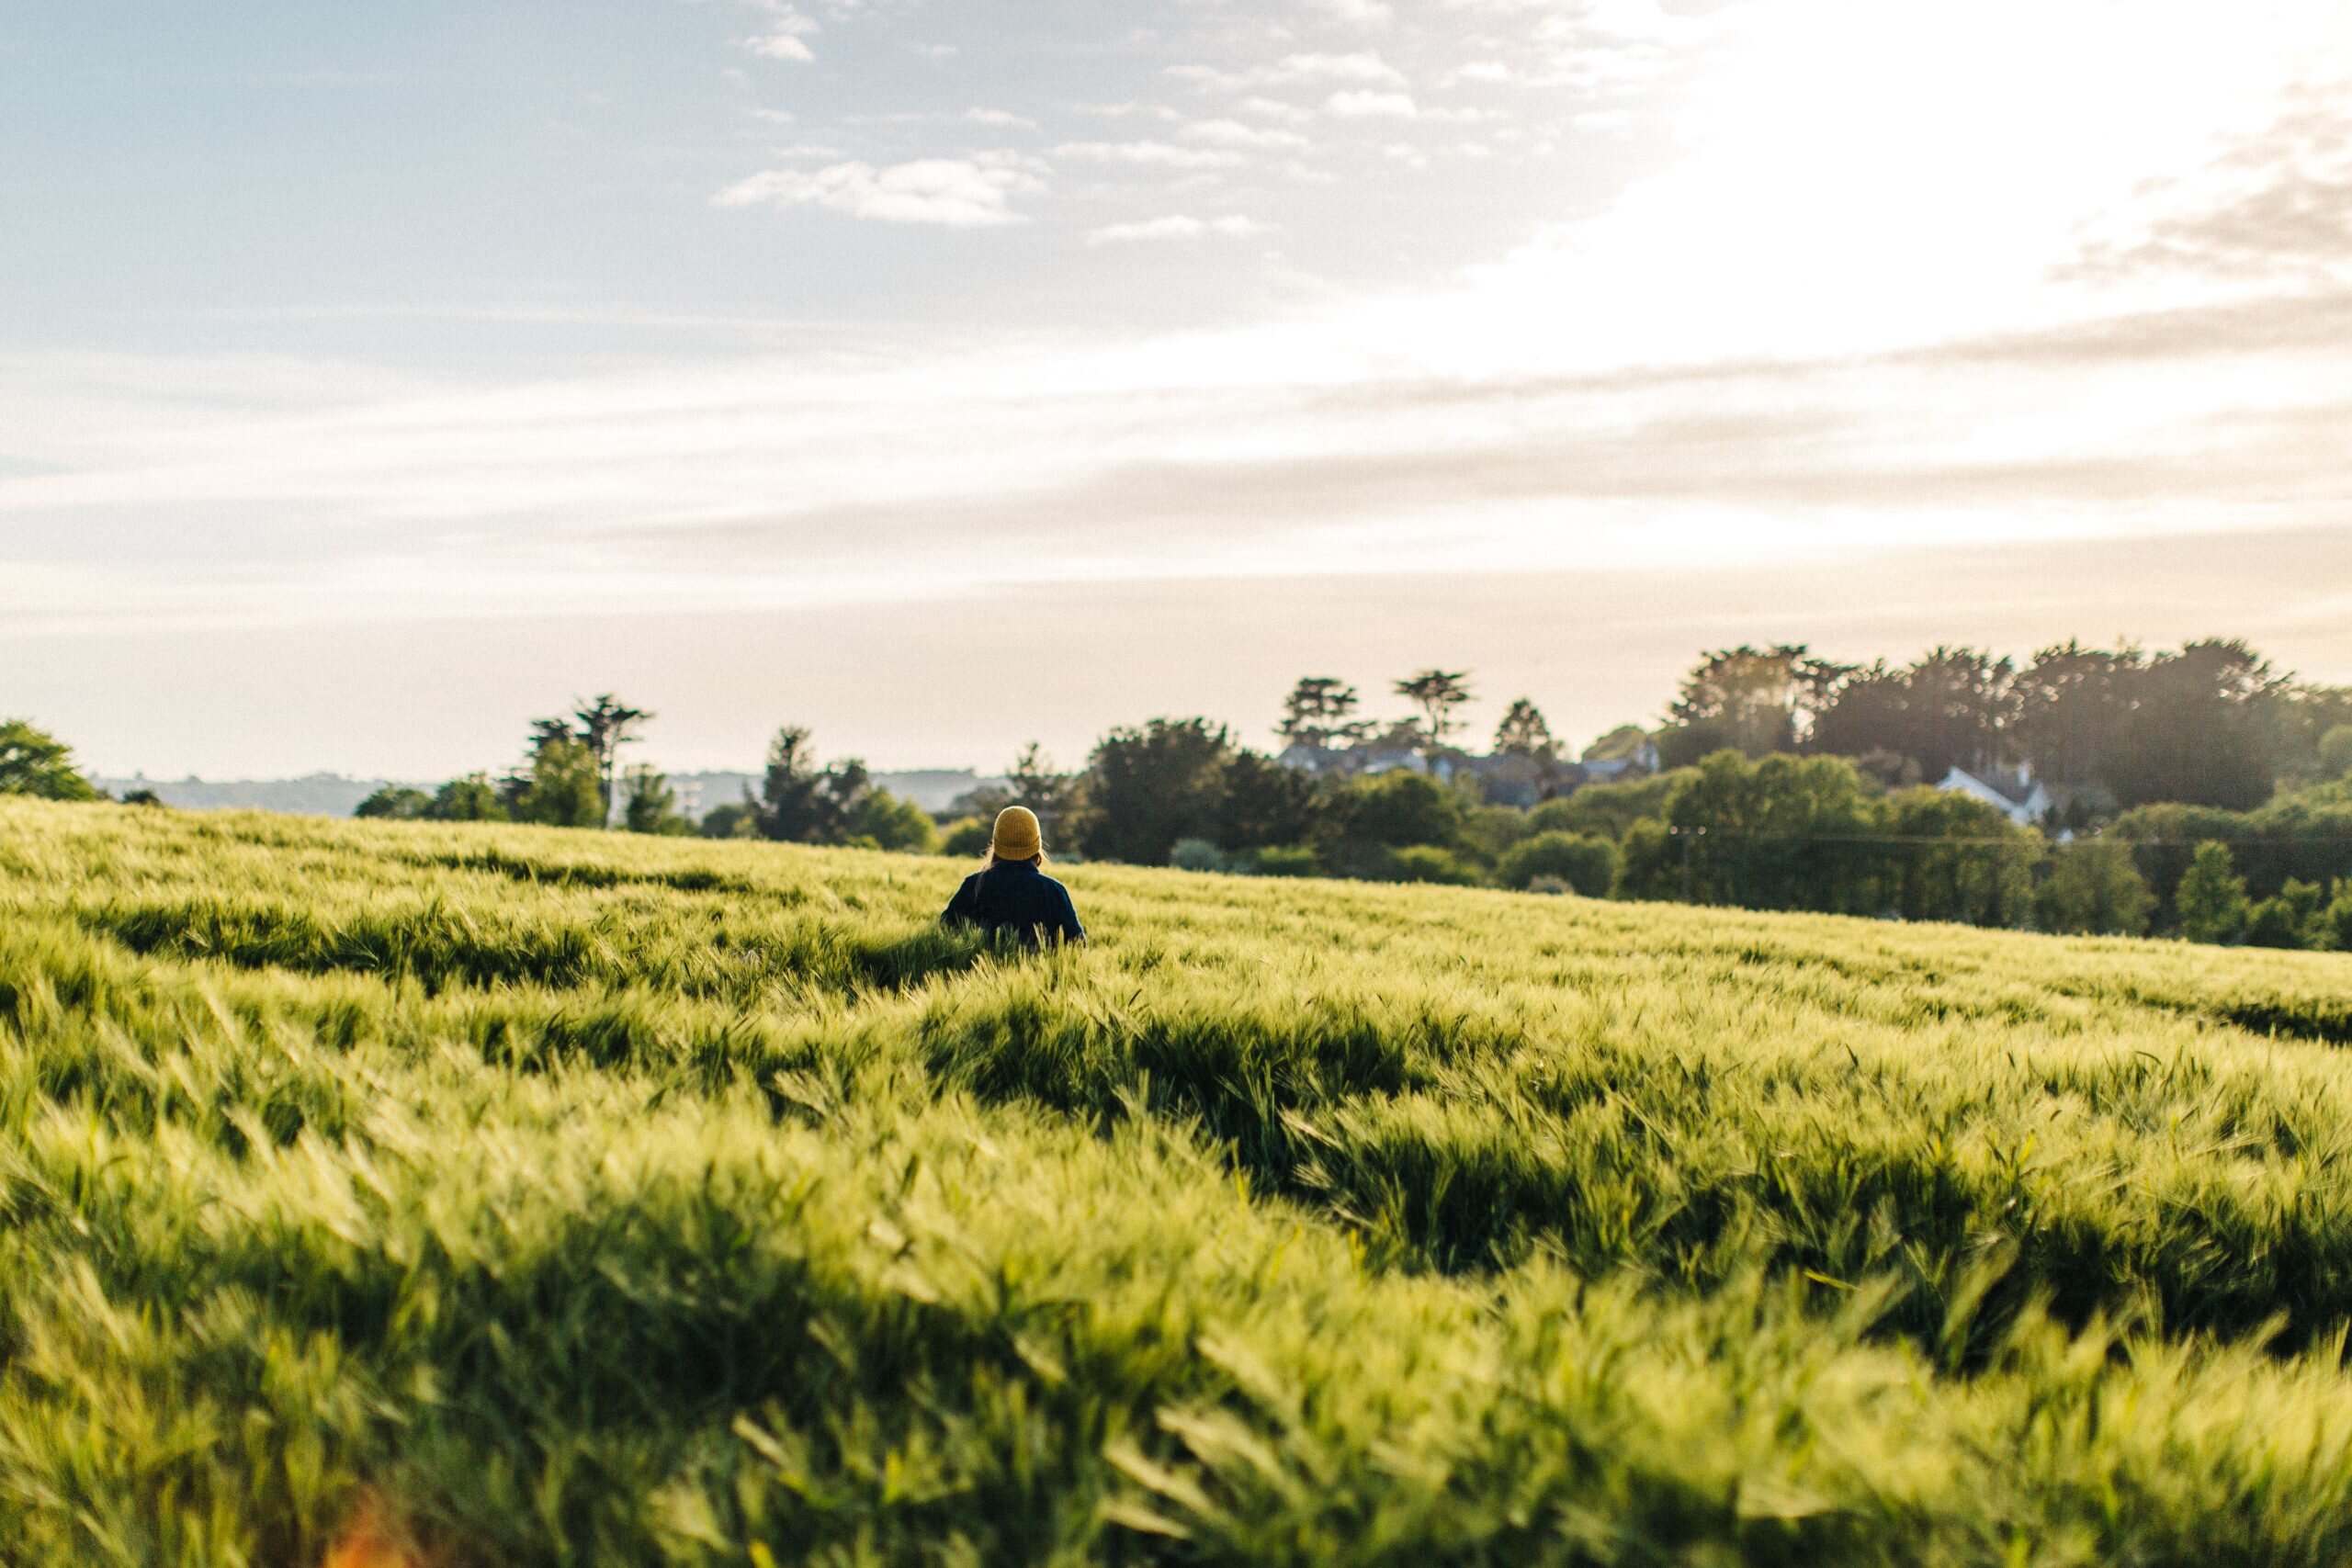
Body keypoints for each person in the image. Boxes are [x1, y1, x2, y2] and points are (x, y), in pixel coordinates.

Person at [942, 806, 1086, 947]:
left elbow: (945, 930)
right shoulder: (1053, 891)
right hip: (1038, 970)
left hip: (982, 970)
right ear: (1037, 845)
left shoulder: (974, 885)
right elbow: (1077, 944)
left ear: (996, 844)